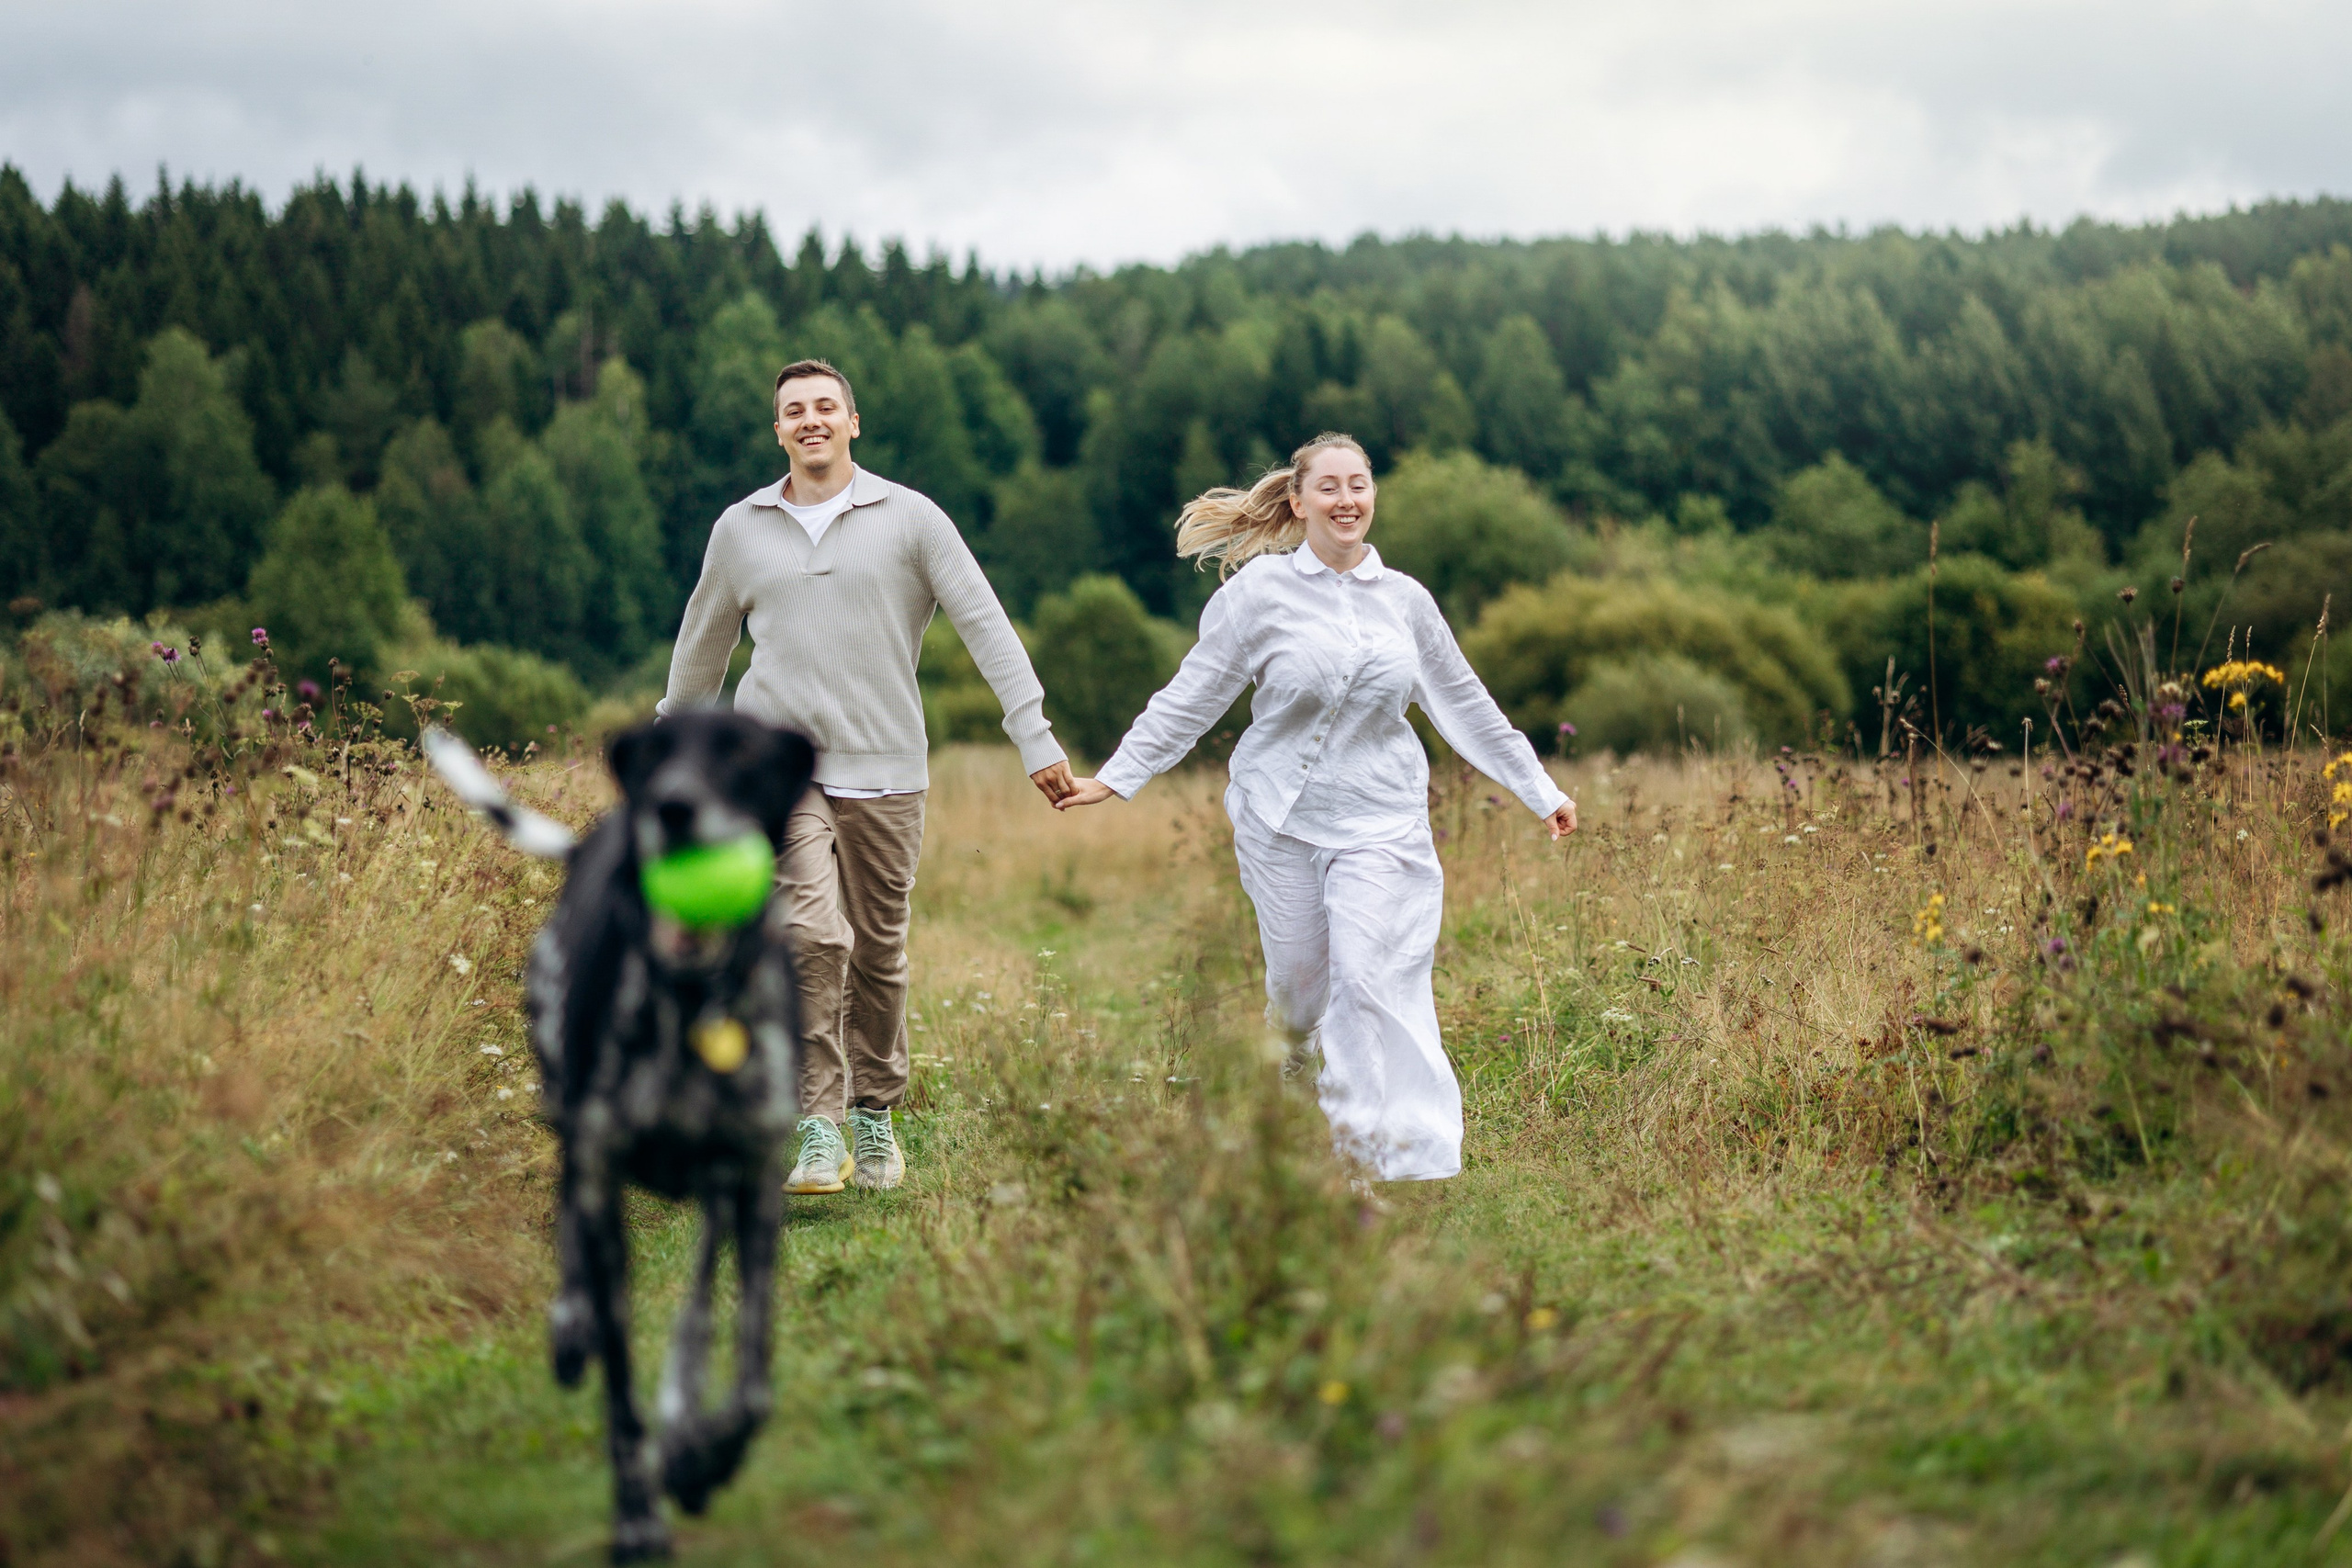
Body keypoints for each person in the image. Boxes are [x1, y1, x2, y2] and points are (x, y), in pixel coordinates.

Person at [1055, 433, 1576, 1182]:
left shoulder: (1406, 602)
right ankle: (1293, 1060)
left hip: (1380, 819)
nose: (1346, 500)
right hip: (1280, 820)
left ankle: (1370, 1157)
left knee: (1365, 979)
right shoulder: (1259, 595)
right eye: (1328, 487)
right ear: (1297, 502)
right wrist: (1118, 775)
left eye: (1358, 484)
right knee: (1300, 991)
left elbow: (1465, 701)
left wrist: (1541, 790)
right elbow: (1192, 695)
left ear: (1372, 496)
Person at [661, 358, 1076, 1194]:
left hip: (887, 764)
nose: (810, 420)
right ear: (776, 430)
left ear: (854, 421)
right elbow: (701, 645)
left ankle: (874, 1112)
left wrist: (1032, 733)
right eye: (793, 411)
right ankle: (818, 1124)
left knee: (879, 952)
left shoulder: (911, 518)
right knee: (811, 936)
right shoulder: (741, 528)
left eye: (825, 406)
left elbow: (985, 624)